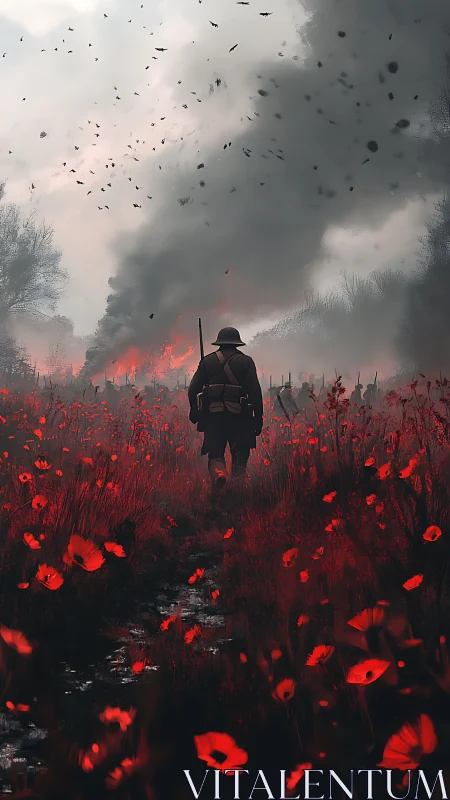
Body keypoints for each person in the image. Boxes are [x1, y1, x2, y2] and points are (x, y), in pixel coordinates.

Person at [188, 326, 263, 488]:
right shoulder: (246, 362)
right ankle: (237, 486)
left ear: (219, 342)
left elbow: (193, 390)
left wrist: (195, 409)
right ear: (236, 343)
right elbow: (255, 392)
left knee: (215, 454)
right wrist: (258, 418)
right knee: (240, 454)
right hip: (240, 416)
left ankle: (219, 475)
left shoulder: (207, 361)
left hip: (213, 416)